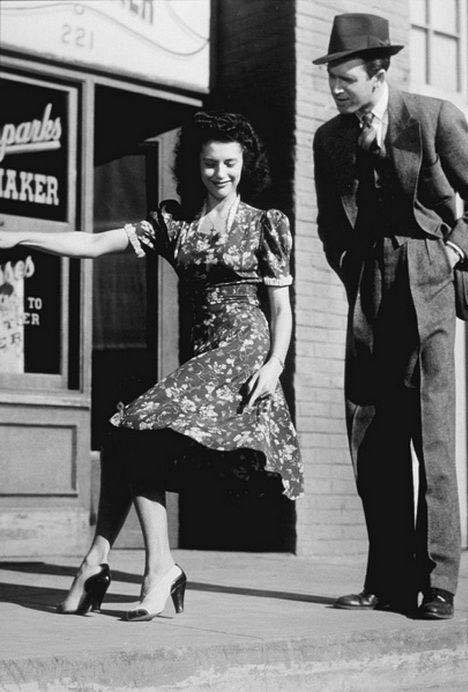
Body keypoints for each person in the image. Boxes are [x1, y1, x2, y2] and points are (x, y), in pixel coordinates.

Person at [0, 111, 303, 621]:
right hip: (203, 352)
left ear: (246, 163)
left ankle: (138, 567)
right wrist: (16, 238)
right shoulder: (174, 224)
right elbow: (94, 244)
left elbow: (281, 308)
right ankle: (106, 565)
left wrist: (275, 363)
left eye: (231, 163)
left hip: (244, 352)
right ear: (195, 165)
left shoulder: (265, 224)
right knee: (128, 438)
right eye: (210, 163)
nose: (221, 173)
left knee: (133, 429)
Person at [312, 13, 468, 619]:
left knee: (431, 434)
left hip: (427, 275)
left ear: (378, 73)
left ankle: (438, 582)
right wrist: (350, 268)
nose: (337, 90)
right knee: (372, 432)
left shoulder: (431, 117)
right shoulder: (330, 139)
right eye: (332, 80)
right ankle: (387, 580)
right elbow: (326, 222)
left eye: (347, 79)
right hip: (369, 279)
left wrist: (452, 252)